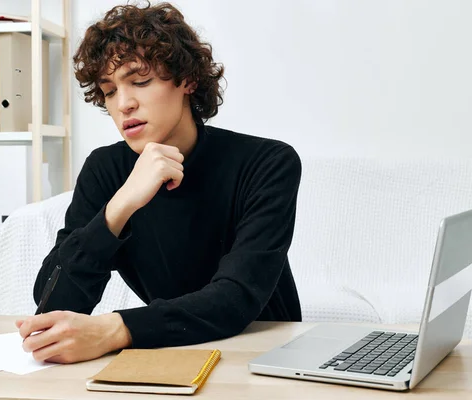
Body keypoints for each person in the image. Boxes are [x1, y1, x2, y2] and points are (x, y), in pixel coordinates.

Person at [16, 1, 303, 364]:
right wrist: (119, 206)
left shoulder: (267, 163)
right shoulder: (106, 170)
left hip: (264, 355)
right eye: (109, 91)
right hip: (175, 351)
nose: (124, 104)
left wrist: (115, 329)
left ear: (188, 80)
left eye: (140, 81)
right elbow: (53, 307)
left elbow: (237, 297)